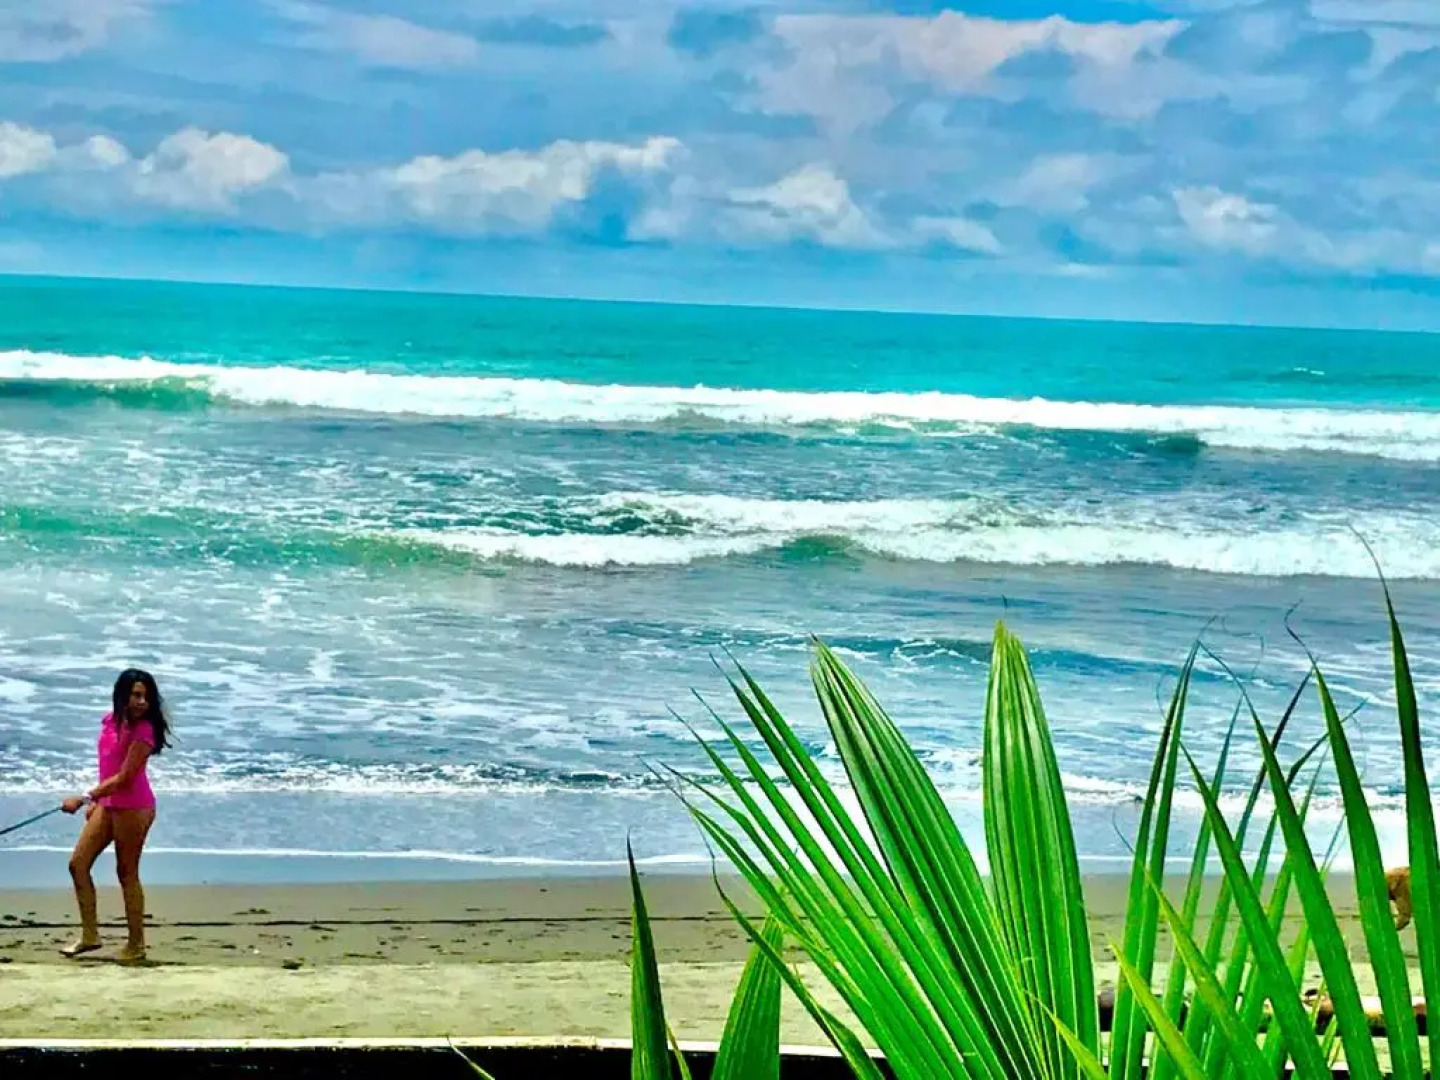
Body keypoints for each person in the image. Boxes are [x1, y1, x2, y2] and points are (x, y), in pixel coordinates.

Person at [59, 669, 171, 963]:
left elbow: (125, 777)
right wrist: (97, 801)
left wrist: (84, 797)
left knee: (126, 873)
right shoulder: (110, 721)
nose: (142, 702)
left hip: (134, 806)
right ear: (122, 695)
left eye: (146, 696)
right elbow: (107, 765)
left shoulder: (144, 730)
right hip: (107, 804)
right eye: (136, 695)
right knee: (78, 865)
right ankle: (90, 936)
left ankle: (136, 945)